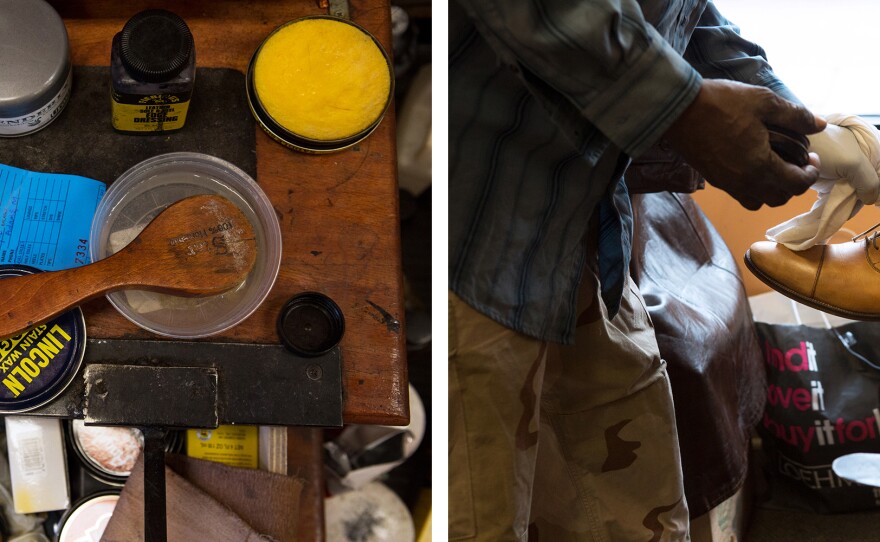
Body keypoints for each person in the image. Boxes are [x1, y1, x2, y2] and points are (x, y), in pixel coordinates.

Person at [448, 1, 877, 540]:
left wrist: (804, 129)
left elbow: (679, 10)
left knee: (645, 519)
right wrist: (685, 108)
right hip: (469, 239)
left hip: (585, 241)